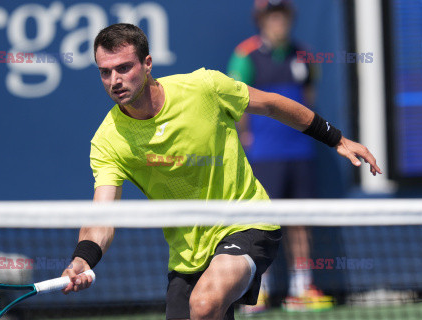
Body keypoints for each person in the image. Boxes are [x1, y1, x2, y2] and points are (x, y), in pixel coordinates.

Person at [60, 23, 381, 320]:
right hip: (188, 253)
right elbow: (102, 215)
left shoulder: (204, 87)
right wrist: (82, 258)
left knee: (204, 304)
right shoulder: (108, 140)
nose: (115, 80)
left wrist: (335, 138)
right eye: (105, 72)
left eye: (124, 68)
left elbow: (271, 104)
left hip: (247, 222)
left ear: (147, 64)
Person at [227, 0, 330, 312]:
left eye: (282, 15)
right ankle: (259, 290)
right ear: (261, 20)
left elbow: (309, 100)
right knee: (263, 221)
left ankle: (301, 288)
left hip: (300, 152)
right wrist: (248, 137)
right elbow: (238, 100)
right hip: (265, 154)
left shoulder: (306, 56)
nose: (278, 21)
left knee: (301, 220)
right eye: (272, 16)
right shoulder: (245, 55)